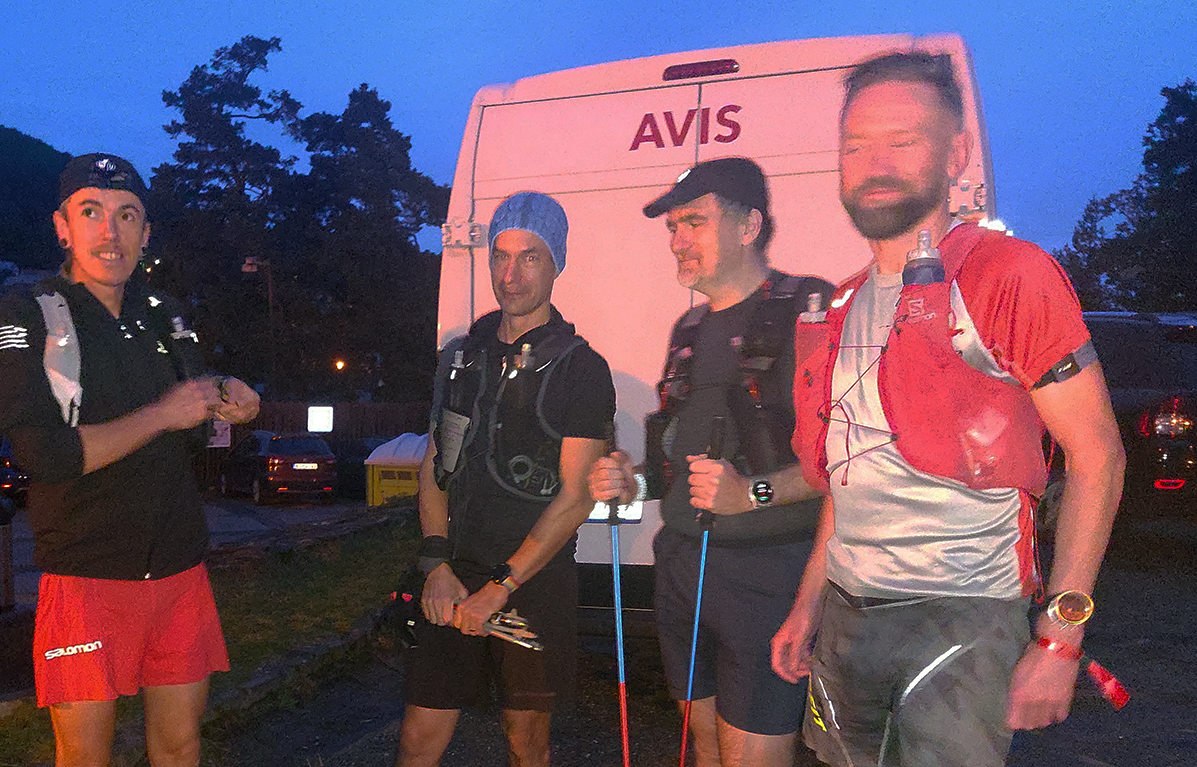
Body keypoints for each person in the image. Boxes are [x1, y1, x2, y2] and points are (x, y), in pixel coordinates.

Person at [773, 52, 1126, 767]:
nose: (874, 163)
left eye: (902, 140)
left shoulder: (1005, 276)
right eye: (855, 145)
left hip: (963, 618)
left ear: (956, 154)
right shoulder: (840, 305)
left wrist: (1061, 638)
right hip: (847, 616)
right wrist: (809, 603)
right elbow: (850, 471)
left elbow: (1099, 458)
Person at [0, 153, 260, 767]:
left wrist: (231, 398)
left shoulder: (164, 313)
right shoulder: (28, 313)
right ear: (62, 226)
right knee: (84, 757)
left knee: (181, 747)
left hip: (179, 569)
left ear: (146, 233)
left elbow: (196, 426)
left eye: (127, 215)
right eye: (91, 212)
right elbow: (44, 455)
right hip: (85, 578)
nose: (110, 231)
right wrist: (163, 414)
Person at [588, 157, 833, 767]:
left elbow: (847, 460)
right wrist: (628, 482)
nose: (677, 241)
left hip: (768, 572)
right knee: (703, 746)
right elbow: (669, 472)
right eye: (673, 227)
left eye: (694, 223)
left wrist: (751, 495)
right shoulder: (690, 328)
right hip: (679, 564)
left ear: (749, 225)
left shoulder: (809, 309)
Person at [396, 191, 615, 767]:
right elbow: (435, 468)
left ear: (556, 263)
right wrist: (435, 564)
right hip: (454, 578)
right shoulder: (459, 360)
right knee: (418, 739)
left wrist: (502, 586)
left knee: (526, 742)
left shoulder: (581, 369)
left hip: (530, 584)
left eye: (529, 257)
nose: (510, 275)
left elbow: (576, 497)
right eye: (501, 256)